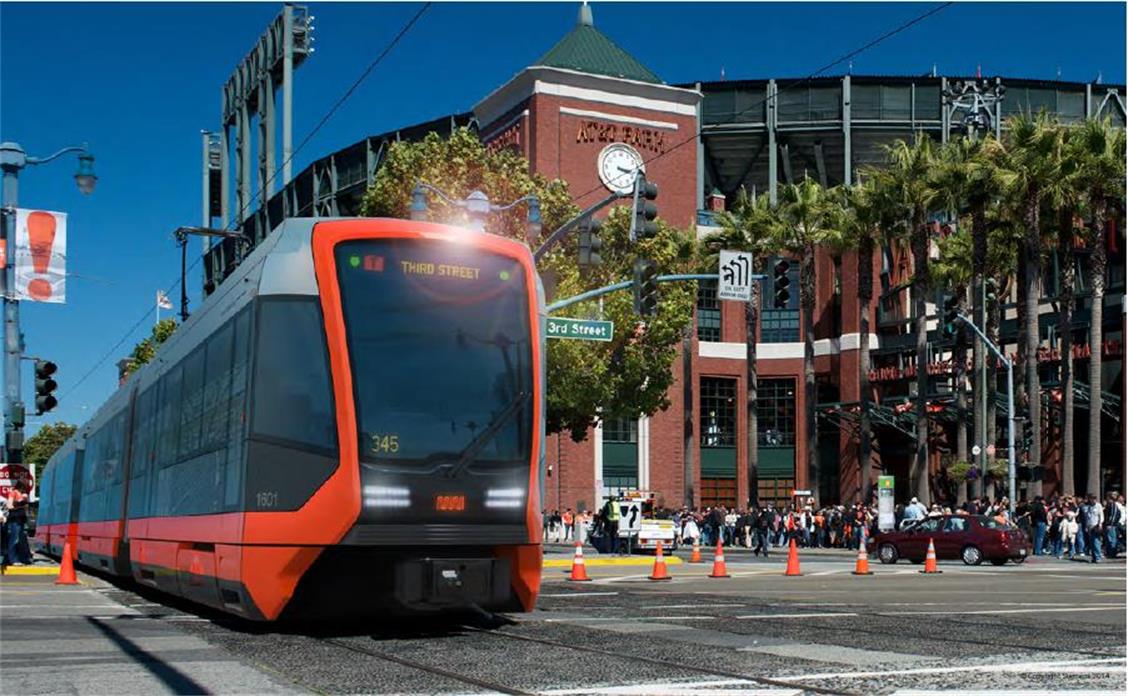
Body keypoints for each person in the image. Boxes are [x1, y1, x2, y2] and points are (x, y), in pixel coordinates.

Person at [4, 482, 32, 566]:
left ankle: (22, 558)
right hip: (15, 518)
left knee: (21, 539)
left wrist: (25, 502)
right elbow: (9, 505)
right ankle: (13, 559)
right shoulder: (14, 492)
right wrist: (20, 502)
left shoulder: (22, 494)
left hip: (21, 518)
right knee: (14, 539)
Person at [1081, 494, 1104, 563]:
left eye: (1094, 498)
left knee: (1096, 542)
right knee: (1091, 543)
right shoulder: (1087, 507)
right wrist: (1086, 526)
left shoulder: (1098, 506)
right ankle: (1094, 557)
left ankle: (1098, 557)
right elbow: (1087, 517)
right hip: (1089, 526)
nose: (1093, 500)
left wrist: (1100, 524)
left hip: (1096, 525)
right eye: (1091, 498)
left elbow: (1101, 515)